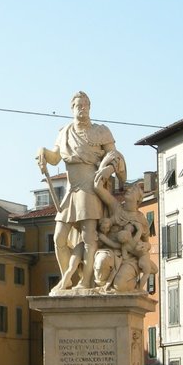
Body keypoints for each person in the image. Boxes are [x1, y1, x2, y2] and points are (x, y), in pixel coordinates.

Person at [36, 92, 123, 292]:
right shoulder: (65, 131)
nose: (82, 108)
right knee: (59, 238)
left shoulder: (101, 131)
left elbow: (114, 155)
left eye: (85, 104)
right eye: (78, 105)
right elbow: (55, 157)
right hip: (71, 189)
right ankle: (68, 279)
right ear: (72, 108)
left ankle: (86, 282)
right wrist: (42, 152)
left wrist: (109, 167)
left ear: (90, 107)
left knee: (89, 237)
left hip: (90, 187)